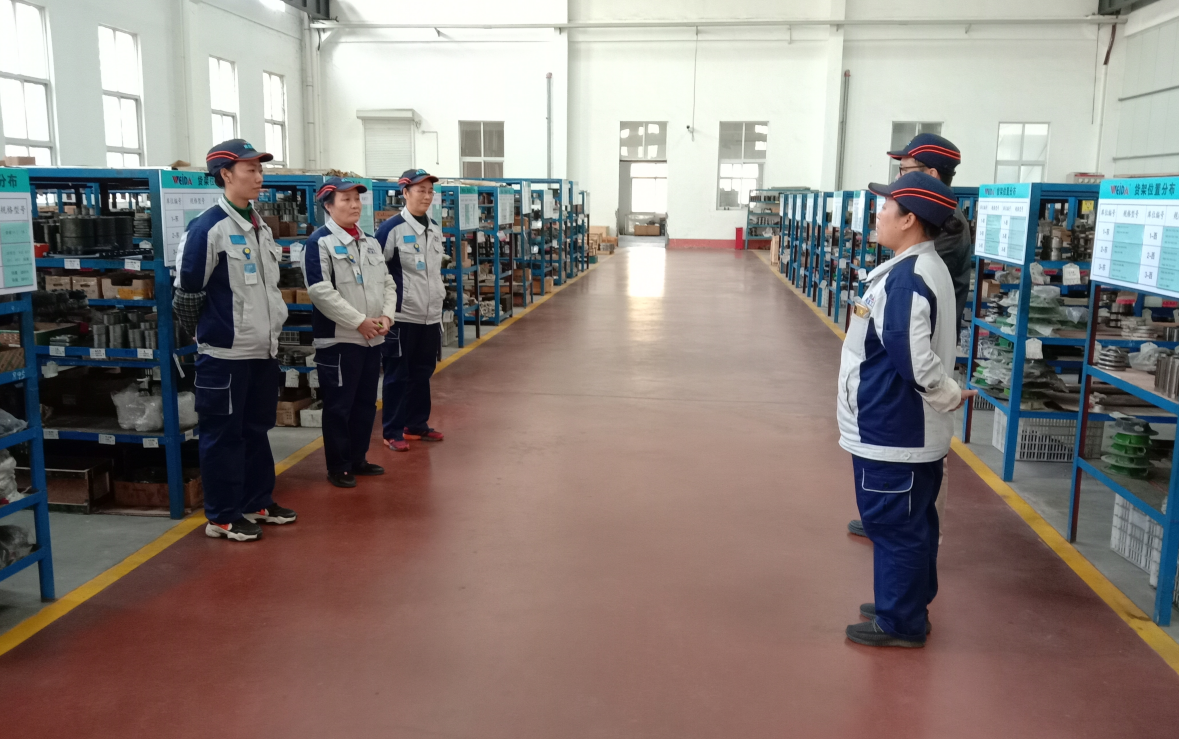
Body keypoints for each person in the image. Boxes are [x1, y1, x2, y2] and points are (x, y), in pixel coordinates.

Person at [836, 172, 977, 647]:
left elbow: (912, 357)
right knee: (913, 523)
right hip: (905, 429)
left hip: (895, 429)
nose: (877, 215)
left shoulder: (907, 279)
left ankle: (901, 621)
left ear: (909, 219)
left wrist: (946, 393)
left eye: (886, 208)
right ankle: (907, 603)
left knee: (893, 525)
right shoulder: (919, 268)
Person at [848, 133, 971, 540]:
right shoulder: (924, 244)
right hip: (917, 367)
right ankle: (902, 517)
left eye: (905, 172)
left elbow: (912, 343)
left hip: (915, 393)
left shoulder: (937, 239)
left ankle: (909, 523)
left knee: (910, 515)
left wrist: (946, 392)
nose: (898, 180)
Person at [173, 139, 294, 542]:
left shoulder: (259, 226)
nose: (259, 177)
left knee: (256, 428)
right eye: (250, 170)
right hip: (225, 354)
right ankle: (222, 515)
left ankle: (257, 501)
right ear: (226, 175)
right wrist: (210, 333)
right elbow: (187, 293)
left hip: (263, 349)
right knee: (222, 435)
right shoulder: (208, 228)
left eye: (260, 170)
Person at [303, 178, 399, 488]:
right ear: (328, 206)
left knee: (366, 403)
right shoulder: (319, 243)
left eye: (357, 199)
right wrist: (358, 321)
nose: (355, 205)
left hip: (372, 338)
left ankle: (358, 458)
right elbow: (320, 291)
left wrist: (386, 315)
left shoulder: (370, 242)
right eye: (346, 199)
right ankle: (339, 466)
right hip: (340, 340)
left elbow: (387, 283)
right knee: (339, 406)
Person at [375, 169, 447, 452]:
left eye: (430, 191)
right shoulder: (391, 229)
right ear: (405, 193)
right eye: (420, 191)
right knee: (397, 375)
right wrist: (384, 311)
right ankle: (392, 430)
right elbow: (376, 271)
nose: (427, 197)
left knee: (423, 372)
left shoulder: (435, 229)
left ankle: (416, 424)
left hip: (430, 315)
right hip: (403, 316)